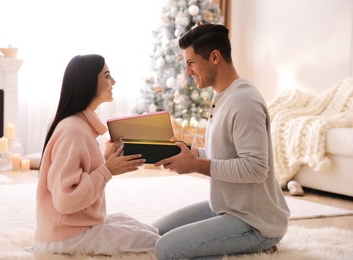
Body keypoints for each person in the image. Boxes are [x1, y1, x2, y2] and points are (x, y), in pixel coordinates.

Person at [153, 24, 290, 259]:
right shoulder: (223, 96)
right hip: (226, 208)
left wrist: (196, 166)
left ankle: (253, 247)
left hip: (256, 222)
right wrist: (194, 153)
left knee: (167, 249)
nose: (188, 72)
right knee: (155, 232)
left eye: (191, 63)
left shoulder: (244, 101)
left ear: (214, 57)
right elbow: (226, 154)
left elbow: (256, 168)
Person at [33, 54, 160, 256]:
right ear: (88, 83)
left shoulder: (78, 125)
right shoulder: (73, 130)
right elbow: (65, 199)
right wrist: (106, 170)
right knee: (159, 243)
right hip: (68, 236)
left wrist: (105, 160)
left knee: (148, 230)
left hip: (74, 227)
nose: (114, 81)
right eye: (107, 75)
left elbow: (81, 174)